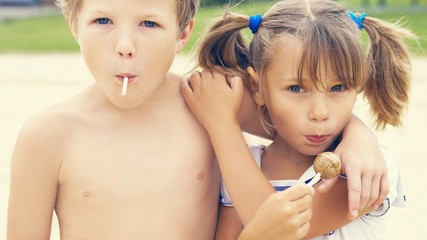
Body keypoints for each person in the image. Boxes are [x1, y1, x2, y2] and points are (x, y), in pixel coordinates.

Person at [7, 0, 389, 239]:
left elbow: (303, 116)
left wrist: (359, 137)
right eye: (103, 20)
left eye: (149, 24)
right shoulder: (47, 137)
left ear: (183, 32)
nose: (125, 46)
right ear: (74, 24)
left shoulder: (209, 102)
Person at [182, 0, 415, 239]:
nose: (320, 112)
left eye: (339, 87)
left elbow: (284, 227)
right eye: (296, 88)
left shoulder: (366, 169)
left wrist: (222, 125)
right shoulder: (243, 163)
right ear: (256, 85)